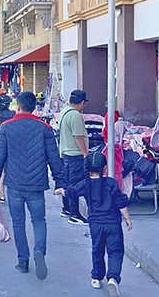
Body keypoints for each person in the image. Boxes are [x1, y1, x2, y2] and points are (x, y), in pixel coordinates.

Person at [0, 92, 65, 279]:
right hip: (37, 185)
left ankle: (23, 261)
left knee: (18, 222)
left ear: (18, 106)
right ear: (34, 107)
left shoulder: (6, 128)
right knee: (39, 220)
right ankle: (39, 250)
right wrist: (60, 182)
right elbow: (54, 159)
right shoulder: (44, 128)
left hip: (14, 184)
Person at [55, 153, 132, 296]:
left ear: (87, 168)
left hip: (95, 225)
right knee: (115, 252)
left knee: (97, 250)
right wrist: (127, 218)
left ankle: (97, 278)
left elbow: (72, 192)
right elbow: (121, 202)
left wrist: (61, 191)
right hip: (113, 224)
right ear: (104, 168)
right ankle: (113, 279)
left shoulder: (86, 184)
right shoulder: (111, 183)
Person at [59, 90, 90, 225]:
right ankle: (75, 214)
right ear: (82, 103)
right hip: (75, 154)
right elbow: (78, 137)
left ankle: (66, 209)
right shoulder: (75, 115)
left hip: (66, 153)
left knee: (67, 182)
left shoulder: (64, 112)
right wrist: (85, 154)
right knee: (75, 185)